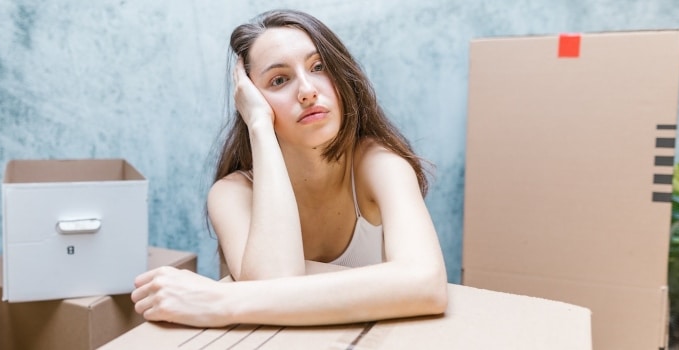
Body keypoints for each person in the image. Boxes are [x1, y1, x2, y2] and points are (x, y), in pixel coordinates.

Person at [131, 9, 448, 328]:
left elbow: (426, 283)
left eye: (319, 66)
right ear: (251, 99)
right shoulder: (232, 193)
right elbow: (270, 284)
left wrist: (220, 301)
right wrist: (258, 125)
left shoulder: (378, 164)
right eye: (279, 80)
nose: (308, 90)